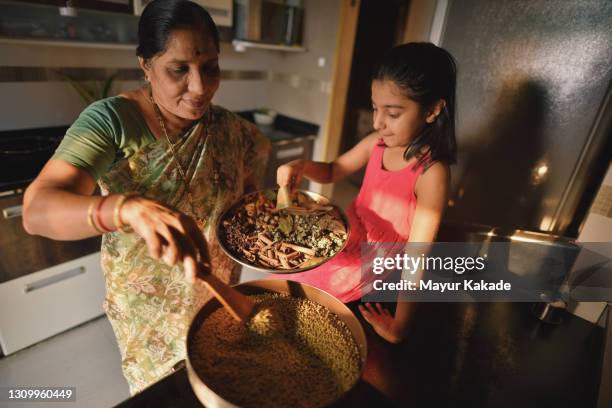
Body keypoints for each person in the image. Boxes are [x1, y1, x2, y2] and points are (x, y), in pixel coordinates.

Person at [22, 0, 270, 394]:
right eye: (179, 70)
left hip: (216, 291)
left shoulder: (227, 127)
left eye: (210, 68)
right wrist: (124, 207)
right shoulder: (111, 121)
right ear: (145, 65)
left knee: (218, 386)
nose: (200, 87)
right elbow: (37, 210)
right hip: (148, 309)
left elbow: (251, 186)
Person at [277, 42, 457, 343]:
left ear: (432, 110)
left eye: (393, 113)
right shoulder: (377, 142)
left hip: (372, 261)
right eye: (375, 108)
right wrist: (302, 165)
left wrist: (399, 328)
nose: (377, 123)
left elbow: (417, 256)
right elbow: (334, 170)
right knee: (288, 268)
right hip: (346, 234)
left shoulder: (431, 173)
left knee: (304, 298)